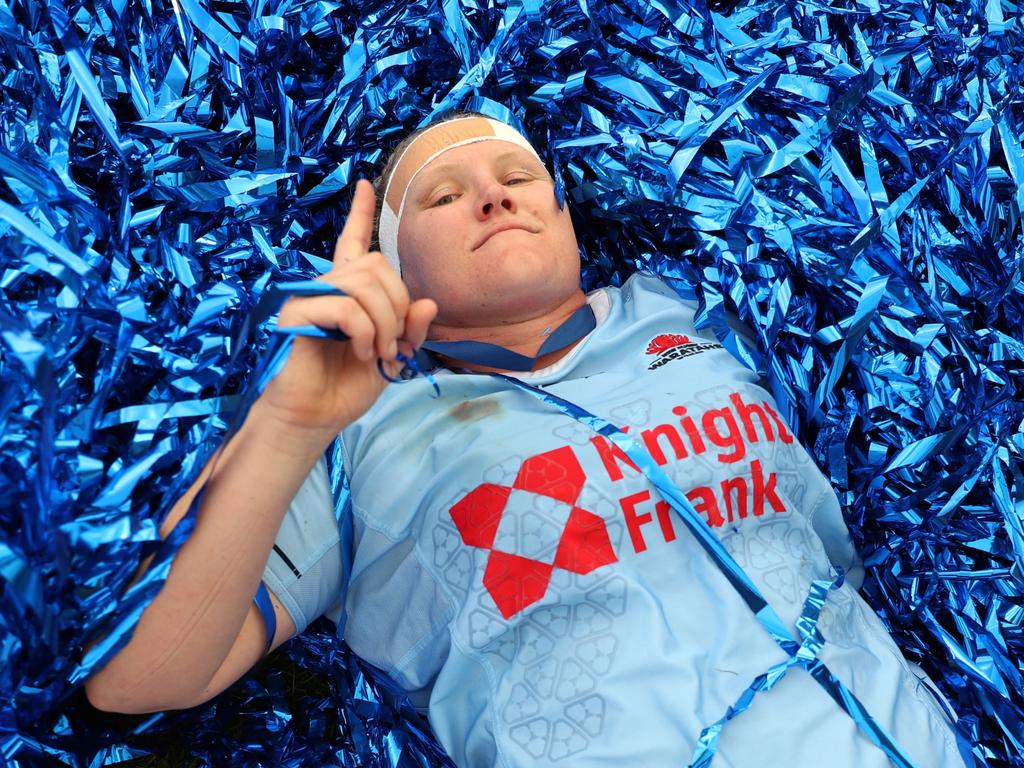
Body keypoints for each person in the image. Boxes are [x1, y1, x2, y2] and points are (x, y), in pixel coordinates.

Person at [85, 113, 969, 768]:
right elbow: (138, 680)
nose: (494, 193)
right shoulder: (352, 428)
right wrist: (283, 427)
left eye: (518, 173)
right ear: (391, 265)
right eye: (442, 194)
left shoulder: (698, 310)